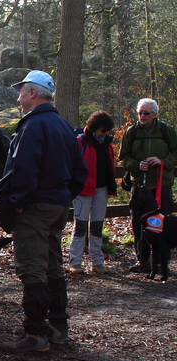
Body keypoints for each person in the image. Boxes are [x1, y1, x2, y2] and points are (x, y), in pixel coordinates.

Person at [0, 70, 87, 354]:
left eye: (22, 91)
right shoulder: (64, 126)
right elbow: (80, 171)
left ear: (33, 93)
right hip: (57, 205)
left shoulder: (33, 126)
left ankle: (35, 333)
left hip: (35, 207)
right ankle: (59, 328)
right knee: (52, 265)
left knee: (32, 268)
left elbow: (24, 168)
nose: (19, 96)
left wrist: (20, 201)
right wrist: (62, 196)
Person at [119, 98, 177, 273]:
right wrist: (137, 165)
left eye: (146, 113)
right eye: (140, 113)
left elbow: (175, 153)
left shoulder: (167, 131)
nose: (142, 116)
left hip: (162, 185)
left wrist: (162, 161)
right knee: (139, 225)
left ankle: (162, 263)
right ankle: (142, 261)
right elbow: (123, 158)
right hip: (140, 186)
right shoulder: (131, 132)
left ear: (155, 114)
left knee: (164, 225)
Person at [67, 111, 116, 275]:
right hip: (83, 190)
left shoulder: (106, 145)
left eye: (107, 131)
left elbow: (111, 165)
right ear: (94, 128)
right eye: (103, 131)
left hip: (101, 189)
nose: (105, 134)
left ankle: (97, 262)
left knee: (97, 226)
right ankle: (75, 262)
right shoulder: (81, 142)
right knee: (80, 226)